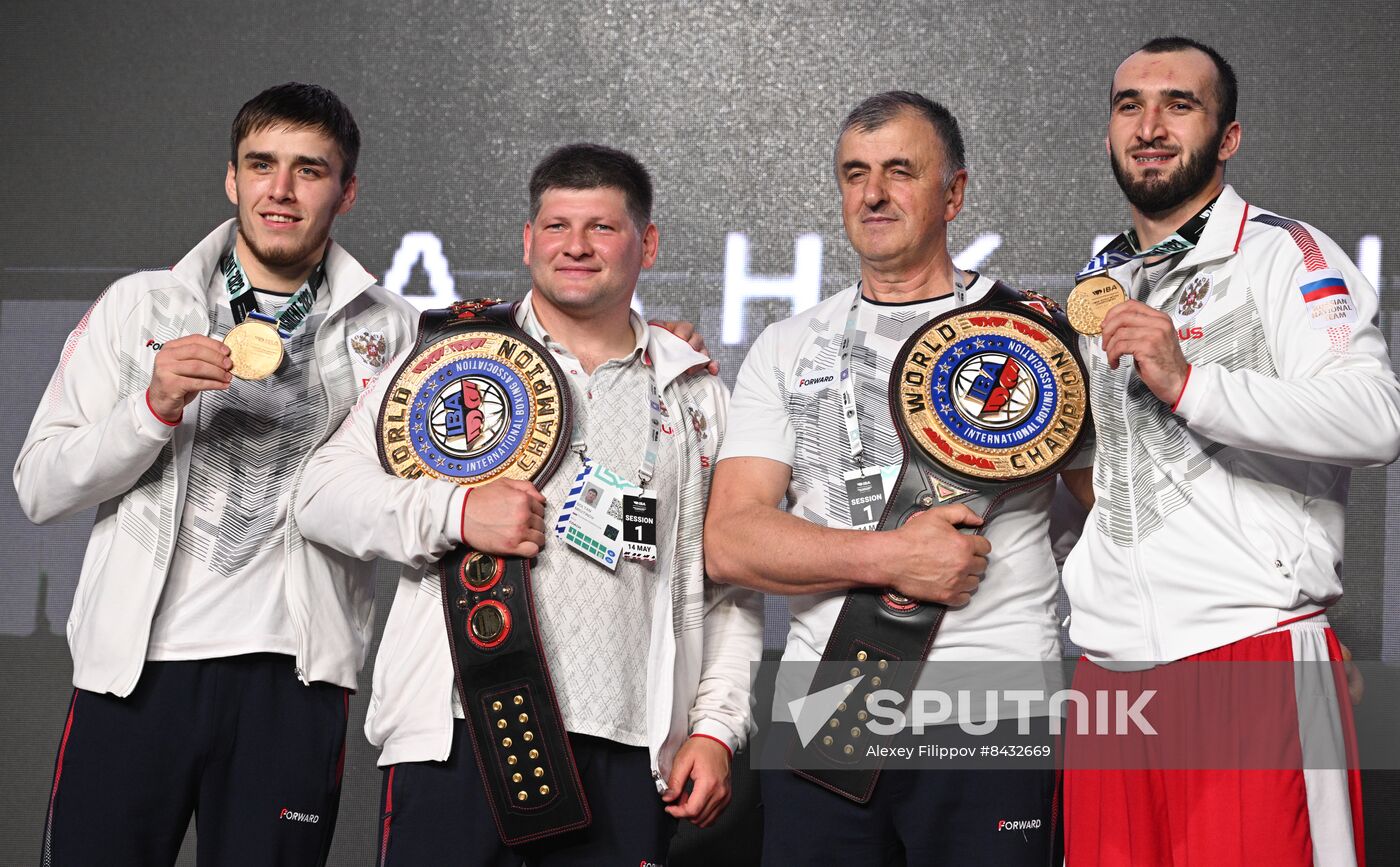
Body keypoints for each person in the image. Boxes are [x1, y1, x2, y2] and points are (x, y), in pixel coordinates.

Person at [295, 143, 761, 865]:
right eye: (556, 226)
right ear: (527, 240)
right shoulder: (447, 355)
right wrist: (454, 512)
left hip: (627, 748)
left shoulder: (695, 391)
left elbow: (728, 588)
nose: (576, 246)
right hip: (459, 735)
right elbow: (320, 494)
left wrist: (716, 727)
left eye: (602, 228)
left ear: (648, 243)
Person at [14, 83, 418, 865]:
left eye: (310, 169)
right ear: (231, 178)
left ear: (347, 190)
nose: (280, 188)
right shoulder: (139, 308)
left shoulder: (390, 328)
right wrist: (152, 405)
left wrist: (647, 333)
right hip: (136, 674)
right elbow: (39, 486)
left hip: (292, 681)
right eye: (261, 164)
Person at [705, 91, 1089, 866]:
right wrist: (891, 558)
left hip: (995, 704)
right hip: (826, 701)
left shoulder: (1042, 339)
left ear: (953, 194)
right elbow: (731, 540)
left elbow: (1117, 520)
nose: (873, 193)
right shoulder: (787, 345)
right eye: (855, 173)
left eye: (899, 171)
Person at [1061, 36, 1400, 866]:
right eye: (1129, 105)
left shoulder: (1288, 255)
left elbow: (1375, 417)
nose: (1149, 125)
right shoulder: (1103, 279)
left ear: (1228, 136)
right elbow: (1115, 472)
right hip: (1110, 672)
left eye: (1179, 104)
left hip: (1247, 657)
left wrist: (1188, 381)